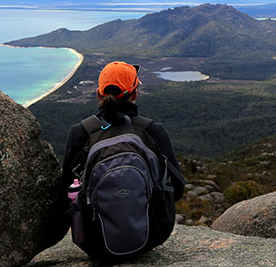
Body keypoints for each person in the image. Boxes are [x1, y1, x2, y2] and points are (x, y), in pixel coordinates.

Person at [60, 61, 185, 259]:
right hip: (152, 236)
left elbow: (63, 194)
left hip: (94, 242)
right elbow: (177, 190)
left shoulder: (80, 133)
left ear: (99, 94)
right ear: (135, 92)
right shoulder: (153, 131)